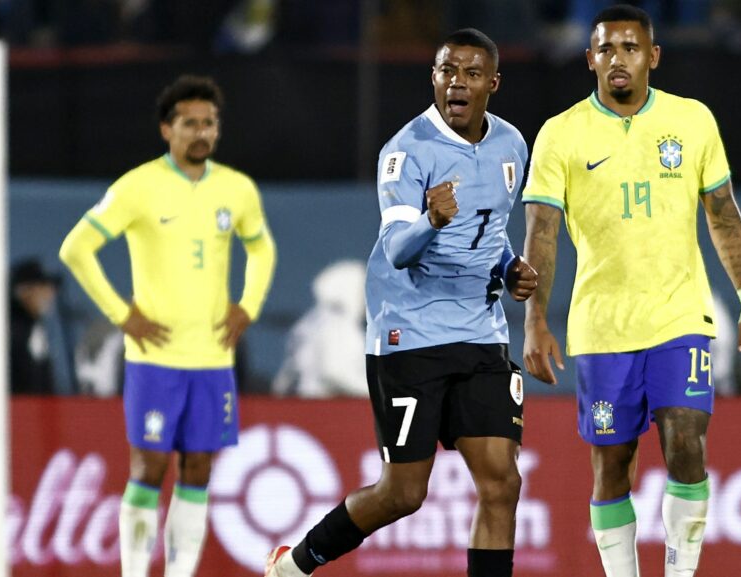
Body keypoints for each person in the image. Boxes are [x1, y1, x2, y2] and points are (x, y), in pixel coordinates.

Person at [265, 28, 538, 577]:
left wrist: (509, 267)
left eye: (470, 73)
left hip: (481, 332)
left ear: (493, 83)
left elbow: (494, 228)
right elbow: (396, 250)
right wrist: (430, 220)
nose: (457, 82)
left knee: (502, 481)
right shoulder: (406, 150)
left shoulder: (511, 144)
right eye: (446, 71)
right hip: (408, 333)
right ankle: (295, 564)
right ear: (433, 77)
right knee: (403, 493)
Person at [520, 5, 741, 577]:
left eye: (631, 48)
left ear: (653, 56)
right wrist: (535, 320)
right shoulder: (561, 134)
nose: (618, 59)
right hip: (601, 325)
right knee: (613, 466)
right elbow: (541, 233)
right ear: (590, 60)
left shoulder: (693, 121)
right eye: (606, 49)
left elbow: (723, 213)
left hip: (679, 315)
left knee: (685, 440)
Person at [58, 75, 276, 577]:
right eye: (190, 124)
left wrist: (248, 305)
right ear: (167, 130)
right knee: (149, 469)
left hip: (213, 359)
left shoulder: (236, 189)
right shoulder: (137, 187)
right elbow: (75, 248)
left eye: (209, 123)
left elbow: (261, 246)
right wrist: (121, 315)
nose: (202, 132)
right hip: (155, 359)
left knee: (198, 470)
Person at [272, 259, 369, 398]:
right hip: (320, 409)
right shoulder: (337, 325)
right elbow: (336, 372)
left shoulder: (312, 321)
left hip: (303, 406)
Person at [9, 257, 69, 394]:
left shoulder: (35, 326)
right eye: (42, 287)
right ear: (23, 291)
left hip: (39, 410)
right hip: (16, 410)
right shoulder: (10, 328)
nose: (50, 295)